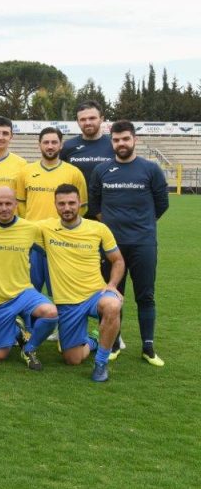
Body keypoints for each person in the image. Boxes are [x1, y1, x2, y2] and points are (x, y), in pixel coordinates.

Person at [88, 120, 169, 366]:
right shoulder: (101, 170)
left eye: (125, 139)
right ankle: (113, 344)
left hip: (143, 244)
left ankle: (148, 347)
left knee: (146, 296)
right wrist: (113, 231)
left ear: (134, 140)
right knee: (113, 295)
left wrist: (141, 224)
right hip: (113, 248)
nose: (121, 144)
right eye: (116, 139)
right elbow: (95, 207)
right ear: (111, 141)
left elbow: (162, 204)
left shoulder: (151, 169)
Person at [28, 184, 125, 382]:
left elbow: (118, 260)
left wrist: (112, 285)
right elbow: (14, 225)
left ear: (80, 203)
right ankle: (93, 341)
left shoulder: (98, 228)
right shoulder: (45, 228)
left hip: (95, 294)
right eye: (62, 203)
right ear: (55, 205)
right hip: (67, 303)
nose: (67, 208)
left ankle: (101, 363)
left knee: (113, 305)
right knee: (72, 359)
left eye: (72, 203)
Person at [0, 187, 58, 369]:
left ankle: (29, 349)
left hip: (23, 293)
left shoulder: (31, 228)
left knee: (51, 313)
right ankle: (17, 330)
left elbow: (58, 225)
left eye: (8, 203)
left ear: (16, 205)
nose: (4, 208)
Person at [15, 127, 88, 292]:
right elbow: (20, 203)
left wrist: (68, 229)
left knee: (62, 292)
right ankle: (31, 319)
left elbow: (82, 207)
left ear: (61, 145)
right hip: (33, 242)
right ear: (39, 145)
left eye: (54, 142)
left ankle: (64, 319)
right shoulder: (26, 171)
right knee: (29, 291)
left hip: (61, 241)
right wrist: (30, 225)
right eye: (46, 142)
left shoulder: (74, 173)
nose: (50, 146)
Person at [61, 100, 112, 203]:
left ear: (101, 119)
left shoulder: (113, 144)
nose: (87, 122)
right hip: (75, 210)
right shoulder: (67, 146)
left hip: (106, 209)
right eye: (83, 119)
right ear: (78, 122)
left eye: (92, 118)